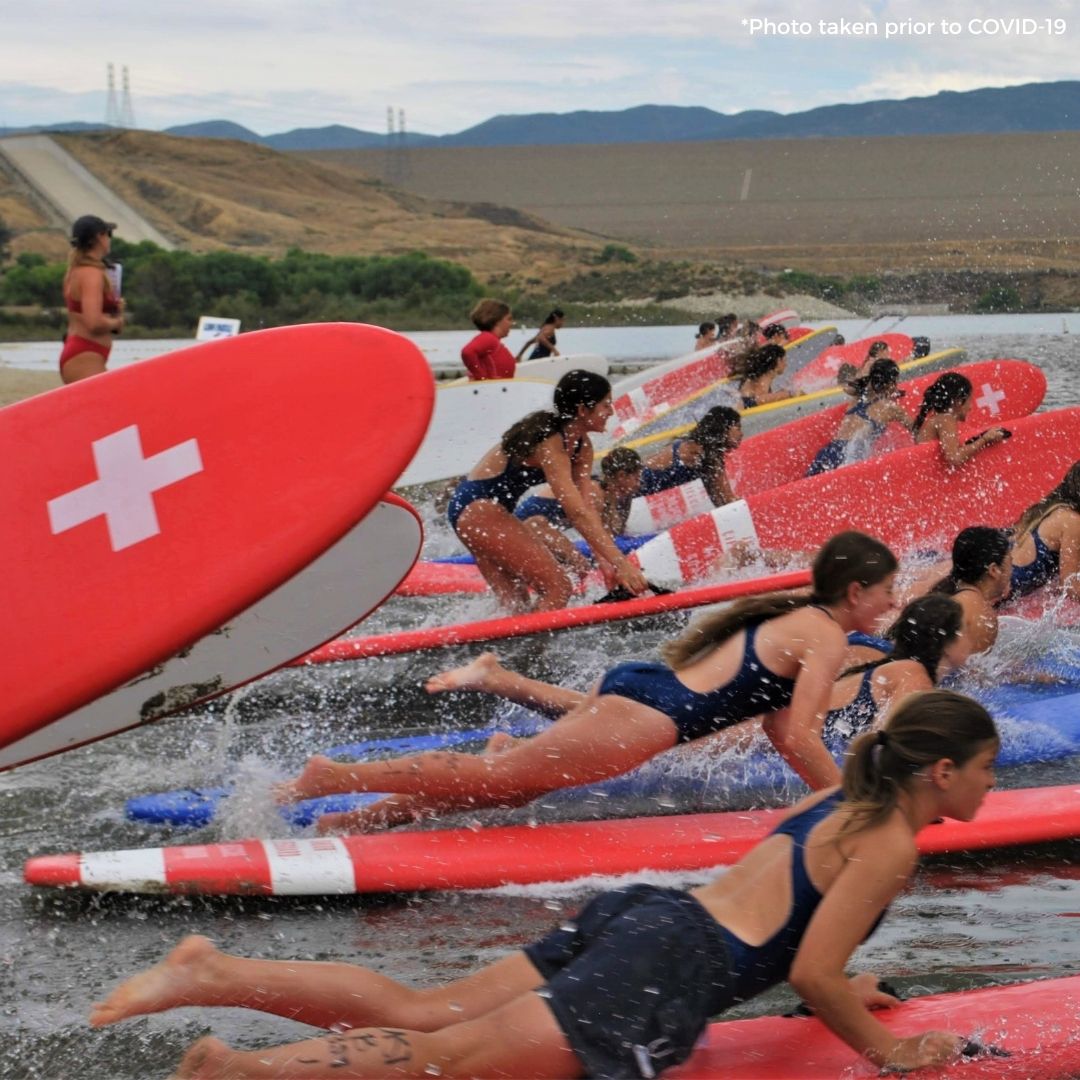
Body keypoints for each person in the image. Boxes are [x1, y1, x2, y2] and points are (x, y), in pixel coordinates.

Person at [91, 691, 1000, 1080]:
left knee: (427, 1012)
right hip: (660, 971)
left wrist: (847, 989)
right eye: (988, 771)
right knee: (451, 1064)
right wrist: (888, 1052)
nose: (994, 787)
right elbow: (805, 971)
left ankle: (212, 973)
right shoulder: (889, 842)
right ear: (944, 772)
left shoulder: (845, 793)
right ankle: (238, 1071)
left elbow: (796, 931)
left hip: (647, 919)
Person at [279, 531, 899, 833]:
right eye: (887, 591)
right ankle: (332, 778)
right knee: (498, 782)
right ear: (855, 591)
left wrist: (828, 795)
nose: (891, 603)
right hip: (649, 718)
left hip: (645, 691)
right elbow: (806, 736)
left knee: (510, 788)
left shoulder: (804, 620)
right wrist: (861, 811)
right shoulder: (827, 636)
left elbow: (781, 729)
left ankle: (354, 823)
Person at [423, 593, 965, 758]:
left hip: (734, 709)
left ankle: (505, 701)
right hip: (744, 732)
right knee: (620, 739)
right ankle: (510, 741)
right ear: (947, 639)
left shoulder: (866, 651)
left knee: (605, 721)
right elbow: (884, 740)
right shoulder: (913, 677)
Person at [446, 369, 646, 610]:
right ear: (583, 410)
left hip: (478, 512)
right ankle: (529, 649)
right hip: (475, 508)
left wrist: (606, 563)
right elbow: (576, 512)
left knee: (516, 604)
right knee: (558, 587)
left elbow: (587, 509)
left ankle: (500, 649)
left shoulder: (582, 447)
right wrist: (621, 563)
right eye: (605, 405)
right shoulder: (550, 442)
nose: (611, 412)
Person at [806, 359, 912, 476]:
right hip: (848, 456)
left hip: (829, 452)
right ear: (891, 383)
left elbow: (849, 386)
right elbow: (915, 429)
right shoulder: (889, 408)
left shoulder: (858, 394)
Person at [515, 446, 642, 537]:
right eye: (636, 478)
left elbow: (619, 531)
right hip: (525, 519)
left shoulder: (622, 494)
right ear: (621, 476)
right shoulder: (594, 491)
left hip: (542, 524)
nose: (639, 482)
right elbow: (603, 539)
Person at [60, 214, 124, 383]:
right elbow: (93, 322)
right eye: (109, 234)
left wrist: (114, 312)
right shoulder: (91, 274)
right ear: (100, 237)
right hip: (85, 353)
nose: (110, 240)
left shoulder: (75, 271)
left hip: (84, 352)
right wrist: (116, 322)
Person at [637, 405, 742, 506]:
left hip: (636, 482)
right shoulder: (705, 454)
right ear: (723, 429)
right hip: (633, 485)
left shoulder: (698, 446)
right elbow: (729, 500)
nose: (741, 434)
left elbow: (720, 500)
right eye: (738, 427)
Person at [1007, 460, 1080, 601]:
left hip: (993, 570)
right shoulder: (1073, 522)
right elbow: (1070, 587)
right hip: (1000, 587)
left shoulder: (1057, 507)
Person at [912, 372, 1009, 466]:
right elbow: (954, 458)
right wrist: (985, 440)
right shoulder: (946, 419)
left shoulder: (937, 418)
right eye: (969, 400)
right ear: (958, 401)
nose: (970, 407)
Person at [461, 299, 516, 380]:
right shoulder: (489, 338)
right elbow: (467, 352)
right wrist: (481, 377)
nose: (512, 323)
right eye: (509, 319)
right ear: (497, 320)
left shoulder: (492, 340)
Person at [731, 343, 793, 409]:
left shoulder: (760, 374)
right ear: (778, 361)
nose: (786, 364)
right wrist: (789, 394)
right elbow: (757, 400)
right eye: (785, 360)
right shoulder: (762, 378)